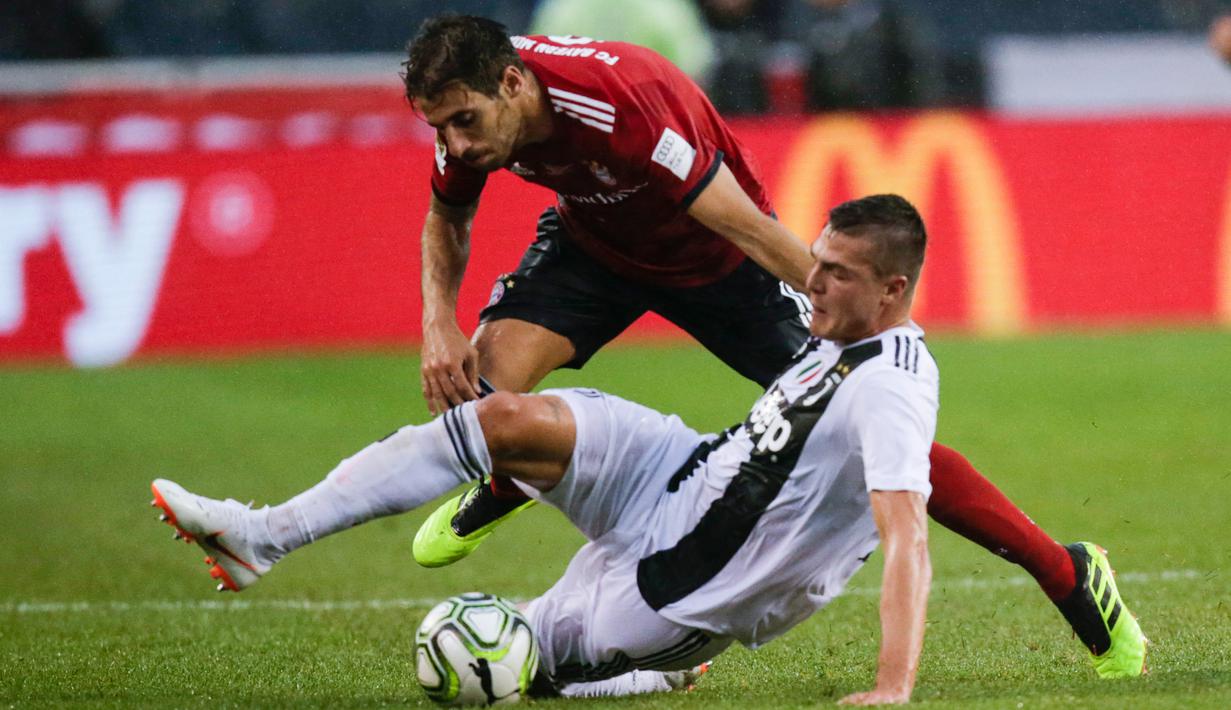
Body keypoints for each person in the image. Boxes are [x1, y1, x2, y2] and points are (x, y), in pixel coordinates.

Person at [151, 196, 1147, 704]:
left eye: (836, 274)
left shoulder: (888, 386)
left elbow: (907, 535)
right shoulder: (840, 338)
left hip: (685, 585)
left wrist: (892, 683)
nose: (811, 284)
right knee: (504, 411)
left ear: (893, 289)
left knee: (522, 668)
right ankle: (263, 534)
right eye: (815, 261)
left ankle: (662, 667)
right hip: (671, 473)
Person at [397, 16, 1107, 661]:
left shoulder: (618, 102)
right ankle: (507, 481)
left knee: (876, 431)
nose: (457, 143)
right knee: (475, 392)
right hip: (595, 249)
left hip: (719, 263)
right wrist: (437, 324)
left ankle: (1063, 570)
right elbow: (447, 216)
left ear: (513, 83)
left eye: (463, 122)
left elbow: (743, 226)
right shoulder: (469, 108)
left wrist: (871, 343)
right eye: (441, 129)